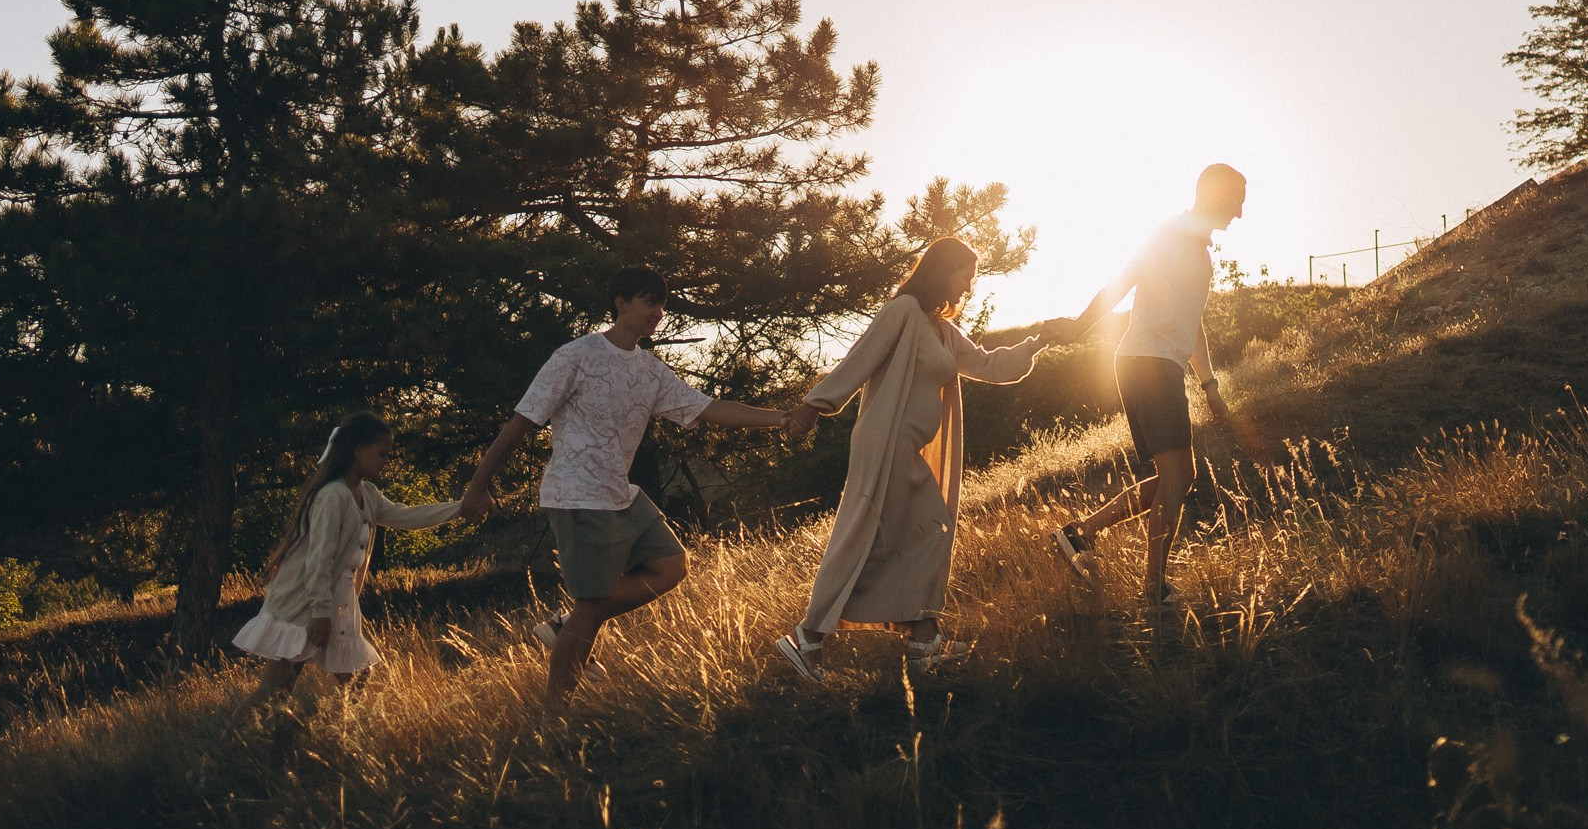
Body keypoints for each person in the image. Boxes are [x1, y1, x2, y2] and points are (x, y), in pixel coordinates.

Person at [458, 265, 807, 705]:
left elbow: (708, 408)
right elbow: (522, 421)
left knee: (671, 564)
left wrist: (780, 418)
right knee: (590, 608)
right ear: (621, 303)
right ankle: (552, 717)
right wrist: (478, 485)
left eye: (662, 304)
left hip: (619, 495)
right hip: (579, 496)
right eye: (649, 301)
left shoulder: (650, 371)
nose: (658, 312)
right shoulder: (575, 356)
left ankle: (567, 627)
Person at [772, 238, 1062, 682]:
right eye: (965, 273)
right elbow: (859, 359)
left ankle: (923, 642)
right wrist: (815, 405)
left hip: (905, 450)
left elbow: (989, 365)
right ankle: (808, 639)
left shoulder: (939, 327)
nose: (969, 283)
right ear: (941, 270)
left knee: (927, 532)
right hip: (885, 444)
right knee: (867, 537)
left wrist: (1038, 341)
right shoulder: (904, 311)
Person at [1048, 163, 1252, 616]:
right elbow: (1123, 281)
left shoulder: (1200, 253)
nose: (1240, 212)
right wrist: (1081, 327)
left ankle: (1080, 534)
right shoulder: (1171, 235)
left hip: (1156, 364)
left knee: (1174, 477)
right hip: (1149, 363)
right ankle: (1154, 591)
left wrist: (1210, 384)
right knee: (1180, 477)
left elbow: (1191, 322)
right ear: (1215, 195)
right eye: (1237, 199)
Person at [234, 412, 460, 706]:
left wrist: (461, 508)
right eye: (382, 453)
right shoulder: (333, 496)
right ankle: (229, 745)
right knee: (276, 689)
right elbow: (319, 559)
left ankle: (337, 736)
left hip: (339, 601)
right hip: (305, 601)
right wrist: (319, 612)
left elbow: (407, 515)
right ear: (357, 450)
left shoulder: (368, 494)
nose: (387, 461)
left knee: (354, 677)